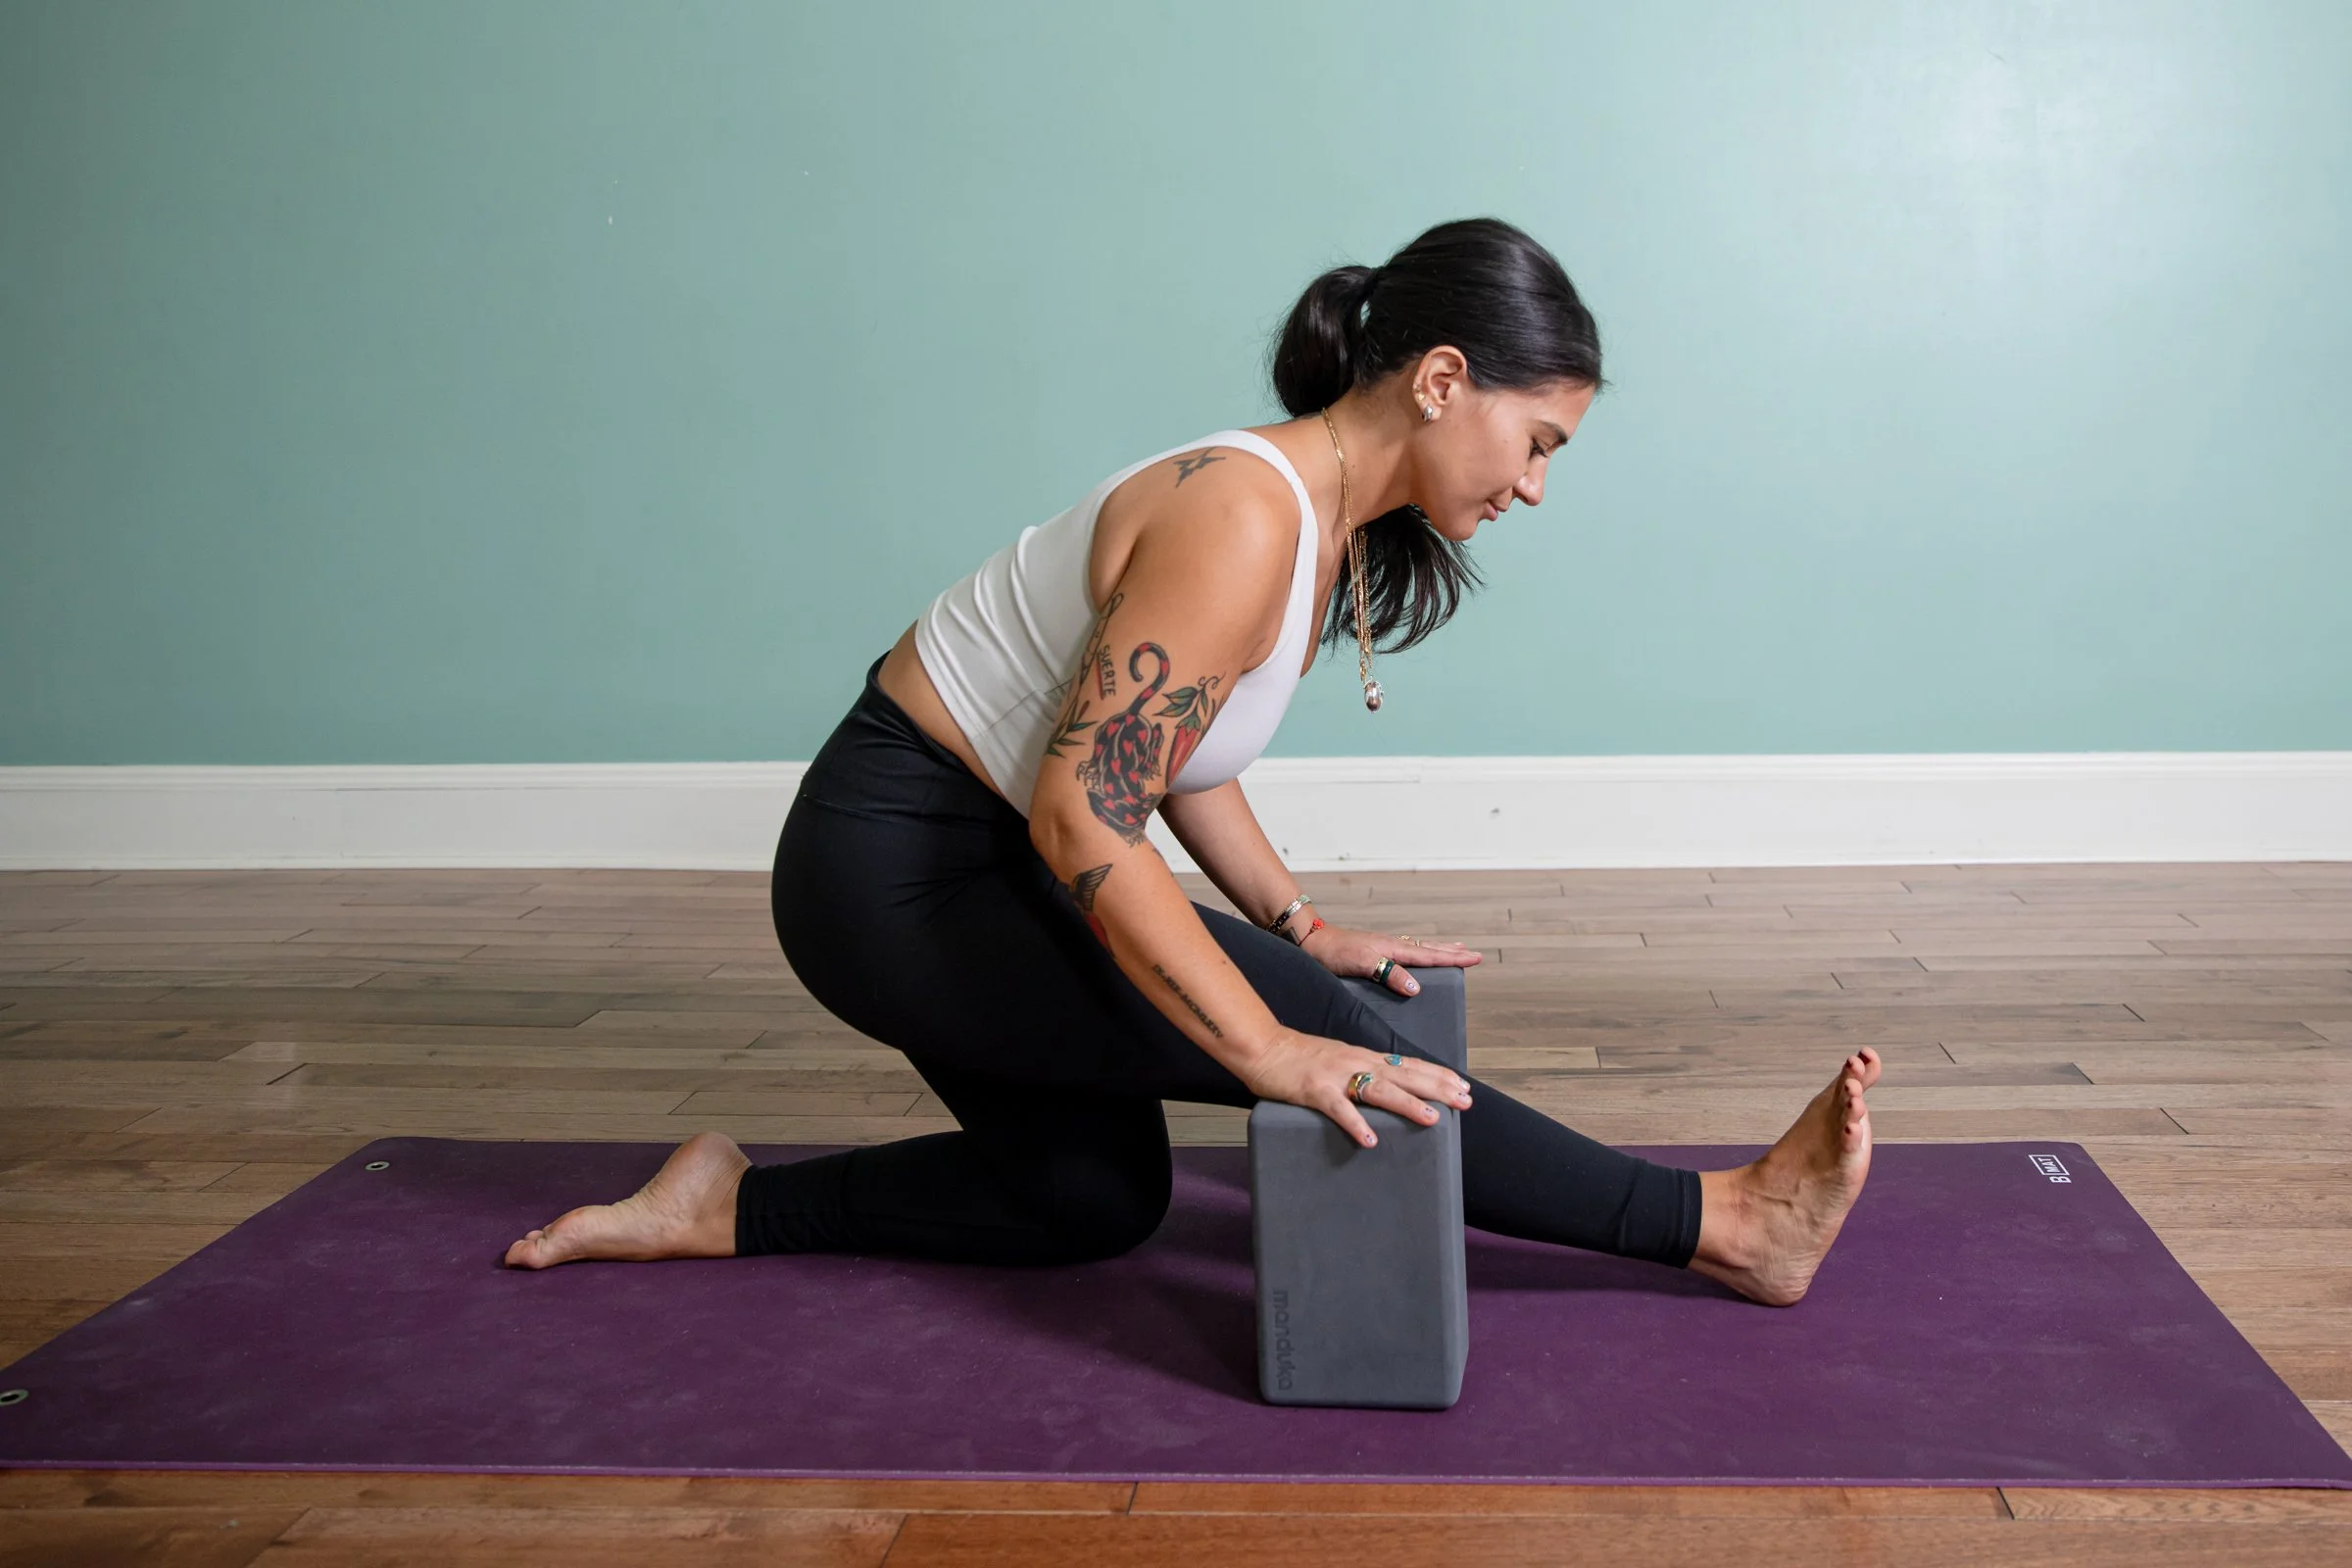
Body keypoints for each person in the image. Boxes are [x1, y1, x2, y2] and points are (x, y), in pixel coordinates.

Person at [505, 217, 1880, 1306]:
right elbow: (1086, 816)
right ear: (1443, 380)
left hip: (988, 854)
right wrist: (1270, 1043)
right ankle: (1726, 1222)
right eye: (1537, 443)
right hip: (894, 873)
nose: (1533, 486)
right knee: (1333, 1044)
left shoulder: (1319, 519)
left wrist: (1299, 922)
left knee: (1089, 1199)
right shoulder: (1243, 514)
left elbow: (1181, 758)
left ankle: (724, 1203)